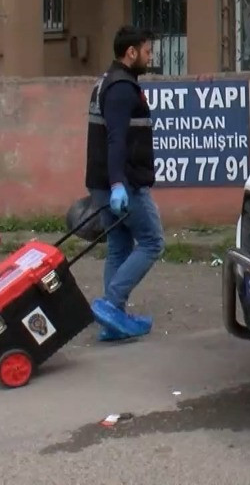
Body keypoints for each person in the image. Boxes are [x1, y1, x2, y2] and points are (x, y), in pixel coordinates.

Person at [84, 26, 166, 341]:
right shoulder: (121, 88)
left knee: (119, 245)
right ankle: (110, 303)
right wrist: (119, 183)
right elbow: (116, 139)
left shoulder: (105, 82)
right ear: (130, 53)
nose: (150, 57)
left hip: (102, 182)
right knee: (152, 241)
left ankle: (112, 321)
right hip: (123, 184)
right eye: (147, 51)